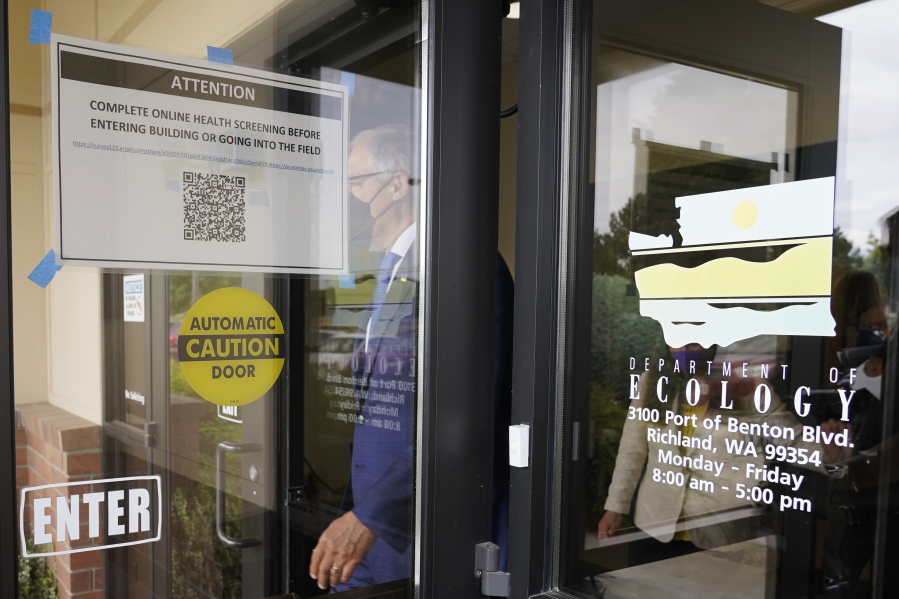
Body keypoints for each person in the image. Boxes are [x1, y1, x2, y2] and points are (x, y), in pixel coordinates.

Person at [310, 124, 419, 591]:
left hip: (409, 533)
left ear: (397, 185)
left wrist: (373, 516)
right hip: (366, 523)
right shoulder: (389, 270)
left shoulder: (452, 268)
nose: (349, 198)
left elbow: (459, 416)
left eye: (356, 184)